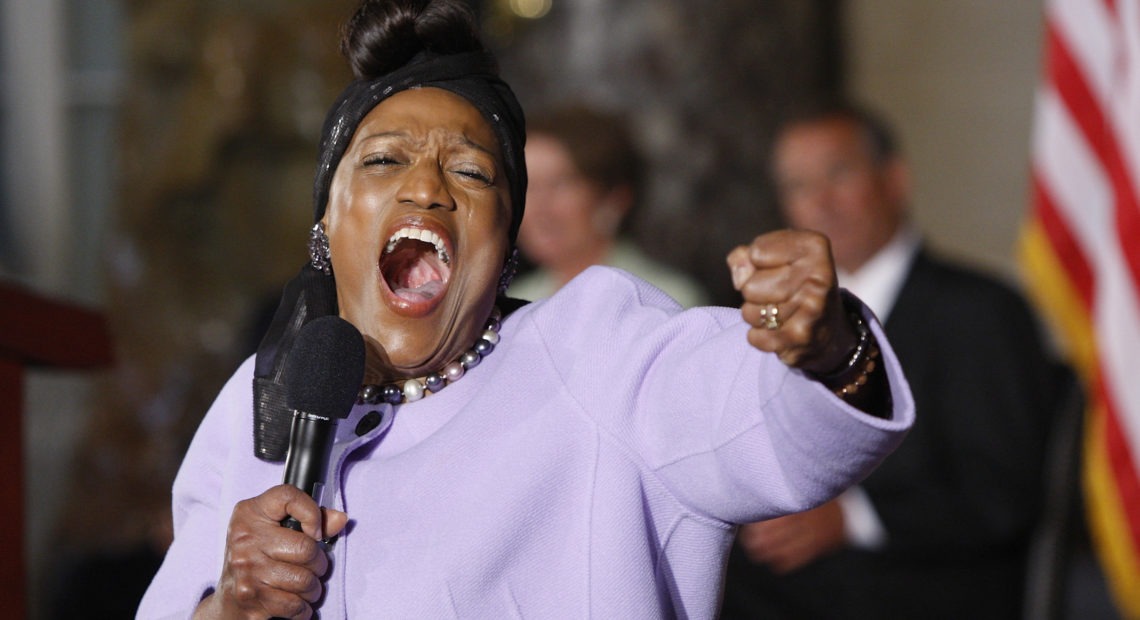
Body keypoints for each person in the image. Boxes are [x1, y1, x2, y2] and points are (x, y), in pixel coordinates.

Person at [136, 3, 914, 618]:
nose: (427, 188)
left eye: (471, 173)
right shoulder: (257, 401)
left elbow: (762, 425)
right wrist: (232, 609)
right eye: (382, 160)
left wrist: (821, 341)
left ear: (505, 248)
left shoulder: (597, 351)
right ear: (326, 226)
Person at [720, 101, 1057, 619]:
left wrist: (851, 519)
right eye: (798, 186)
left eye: (839, 173)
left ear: (894, 179)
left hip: (926, 586)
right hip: (783, 584)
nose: (822, 202)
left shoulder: (981, 312)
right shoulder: (772, 321)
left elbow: (1002, 496)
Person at [510, 103, 707, 307]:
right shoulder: (514, 304)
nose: (539, 208)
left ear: (614, 198)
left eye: (560, 184)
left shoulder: (667, 299)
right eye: (528, 186)